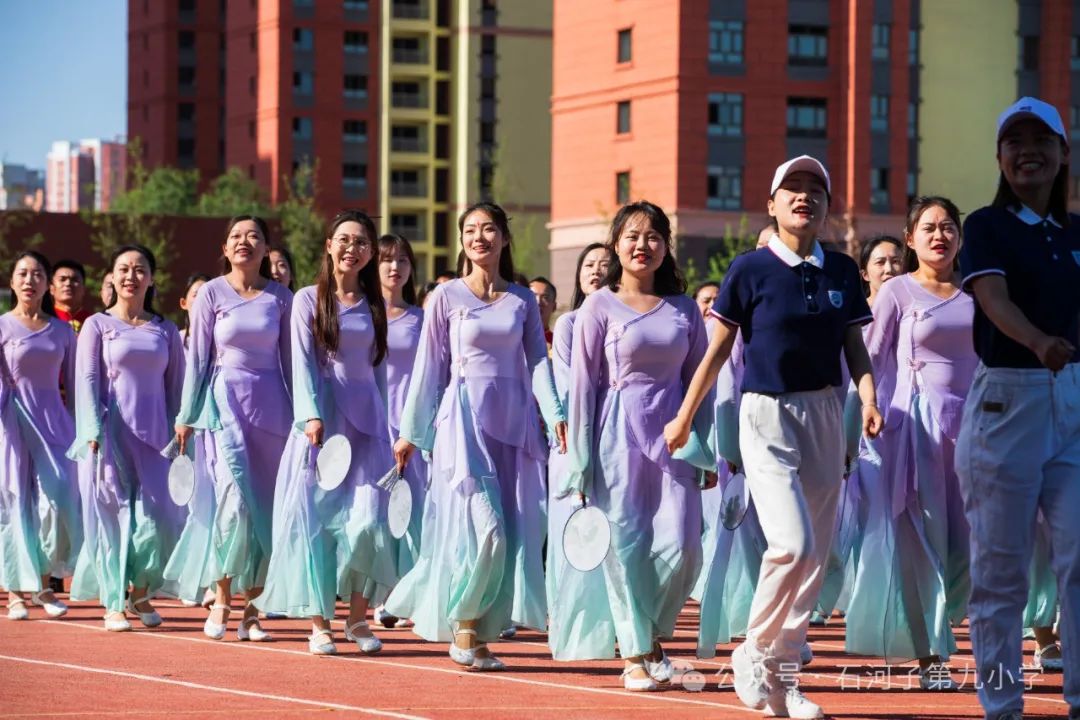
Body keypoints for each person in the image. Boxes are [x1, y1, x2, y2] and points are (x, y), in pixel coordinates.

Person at [665, 156, 882, 719]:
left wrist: (870, 397)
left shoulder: (839, 270)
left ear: (827, 207)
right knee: (794, 544)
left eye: (816, 189)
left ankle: (785, 682)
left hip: (826, 414)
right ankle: (756, 652)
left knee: (814, 557)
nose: (804, 197)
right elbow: (716, 351)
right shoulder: (749, 269)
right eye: (793, 188)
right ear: (771, 203)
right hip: (764, 415)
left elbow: (854, 346)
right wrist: (686, 415)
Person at [385, 202, 566, 671]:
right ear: (461, 240)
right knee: (484, 531)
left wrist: (556, 413)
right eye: (469, 230)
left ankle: (481, 631)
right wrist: (411, 432)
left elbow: (538, 362)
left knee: (512, 530)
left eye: (488, 229)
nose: (479, 237)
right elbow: (429, 369)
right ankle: (464, 625)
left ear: (505, 238)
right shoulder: (445, 298)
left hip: (514, 425)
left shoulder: (522, 301)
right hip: (463, 424)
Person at [956, 96, 1080, 720]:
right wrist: (1039, 342)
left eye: (1042, 140)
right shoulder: (986, 226)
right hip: (1010, 398)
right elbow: (992, 300)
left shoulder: (1077, 233)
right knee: (1001, 573)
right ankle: (1002, 704)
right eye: (1015, 141)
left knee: (1078, 558)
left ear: (1064, 154)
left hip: (1074, 403)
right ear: (1000, 158)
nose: (1028, 150)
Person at [560, 202, 715, 691]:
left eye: (652, 236)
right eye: (631, 236)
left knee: (684, 544)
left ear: (666, 246)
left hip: (675, 435)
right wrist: (579, 461)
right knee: (624, 545)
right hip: (615, 434)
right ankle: (634, 654)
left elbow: (699, 382)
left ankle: (648, 631)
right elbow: (583, 387)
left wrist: (705, 446)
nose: (641, 245)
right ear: (615, 244)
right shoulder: (597, 306)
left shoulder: (685, 309)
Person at [846, 197, 976, 689]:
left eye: (948, 227)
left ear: (959, 238)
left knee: (970, 548)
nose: (939, 235)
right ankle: (930, 656)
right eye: (929, 227)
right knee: (922, 544)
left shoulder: (978, 292)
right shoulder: (897, 291)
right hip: (913, 432)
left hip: (970, 432)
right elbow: (868, 357)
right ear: (910, 238)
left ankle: (951, 625)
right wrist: (866, 408)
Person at [257, 210, 396, 655]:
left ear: (370, 254)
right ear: (329, 246)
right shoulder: (307, 300)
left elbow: (378, 373)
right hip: (320, 426)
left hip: (367, 426)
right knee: (316, 524)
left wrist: (391, 429)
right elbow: (300, 360)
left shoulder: (375, 306)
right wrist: (311, 415)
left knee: (368, 521)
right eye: (344, 240)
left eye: (360, 243)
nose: (351, 249)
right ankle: (320, 622)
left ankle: (357, 618)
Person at [172, 215, 292, 642]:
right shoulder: (209, 294)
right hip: (223, 408)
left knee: (264, 509)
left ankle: (253, 612)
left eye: (254, 236)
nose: (245, 242)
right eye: (236, 237)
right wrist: (186, 415)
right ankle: (222, 597)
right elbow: (198, 360)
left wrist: (305, 416)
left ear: (266, 250)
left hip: (274, 411)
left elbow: (292, 363)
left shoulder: (282, 297)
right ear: (224, 248)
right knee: (231, 505)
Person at [67, 245, 185, 631]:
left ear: (151, 278)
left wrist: (181, 430)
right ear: (112, 276)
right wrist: (91, 431)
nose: (131, 276)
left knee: (161, 520)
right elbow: (86, 381)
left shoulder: (165, 330)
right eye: (123, 269)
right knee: (112, 517)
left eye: (139, 269)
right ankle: (114, 601)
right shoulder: (98, 326)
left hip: (156, 437)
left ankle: (141, 591)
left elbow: (177, 387)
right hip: (110, 433)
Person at [0, 251, 79, 620]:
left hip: (56, 423)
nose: (30, 280)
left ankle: (44, 584)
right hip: (12, 424)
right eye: (23, 274)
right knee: (16, 503)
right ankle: (16, 591)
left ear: (47, 283)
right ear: (12, 282)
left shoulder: (63, 331)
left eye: (37, 274)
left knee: (58, 501)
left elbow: (78, 384)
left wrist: (84, 428)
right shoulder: (1, 327)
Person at [545, 242, 612, 659]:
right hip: (575, 438)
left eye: (606, 265)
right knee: (574, 528)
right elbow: (570, 385)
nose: (597, 271)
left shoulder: (620, 316)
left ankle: (610, 622)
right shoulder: (569, 323)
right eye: (589, 264)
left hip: (616, 435)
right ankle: (567, 618)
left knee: (612, 530)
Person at [373, 232, 426, 630]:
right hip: (372, 426)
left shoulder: (423, 318)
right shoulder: (361, 315)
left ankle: (410, 594)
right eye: (387, 260)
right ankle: (382, 593)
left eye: (403, 261)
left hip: (413, 428)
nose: (395, 268)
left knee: (415, 514)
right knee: (375, 515)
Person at [859, 235, 904, 305]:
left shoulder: (914, 310)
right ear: (865, 274)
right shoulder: (856, 313)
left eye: (895, 261)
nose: (889, 269)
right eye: (880, 262)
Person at [50, 260, 90, 332]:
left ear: (84, 289)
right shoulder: (43, 320)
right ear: (51, 288)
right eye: (62, 279)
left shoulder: (93, 321)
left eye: (74, 280)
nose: (68, 284)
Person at [529, 276, 557, 347]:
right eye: (532, 296)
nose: (538, 302)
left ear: (554, 307)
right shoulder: (513, 340)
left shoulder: (558, 343)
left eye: (545, 297)